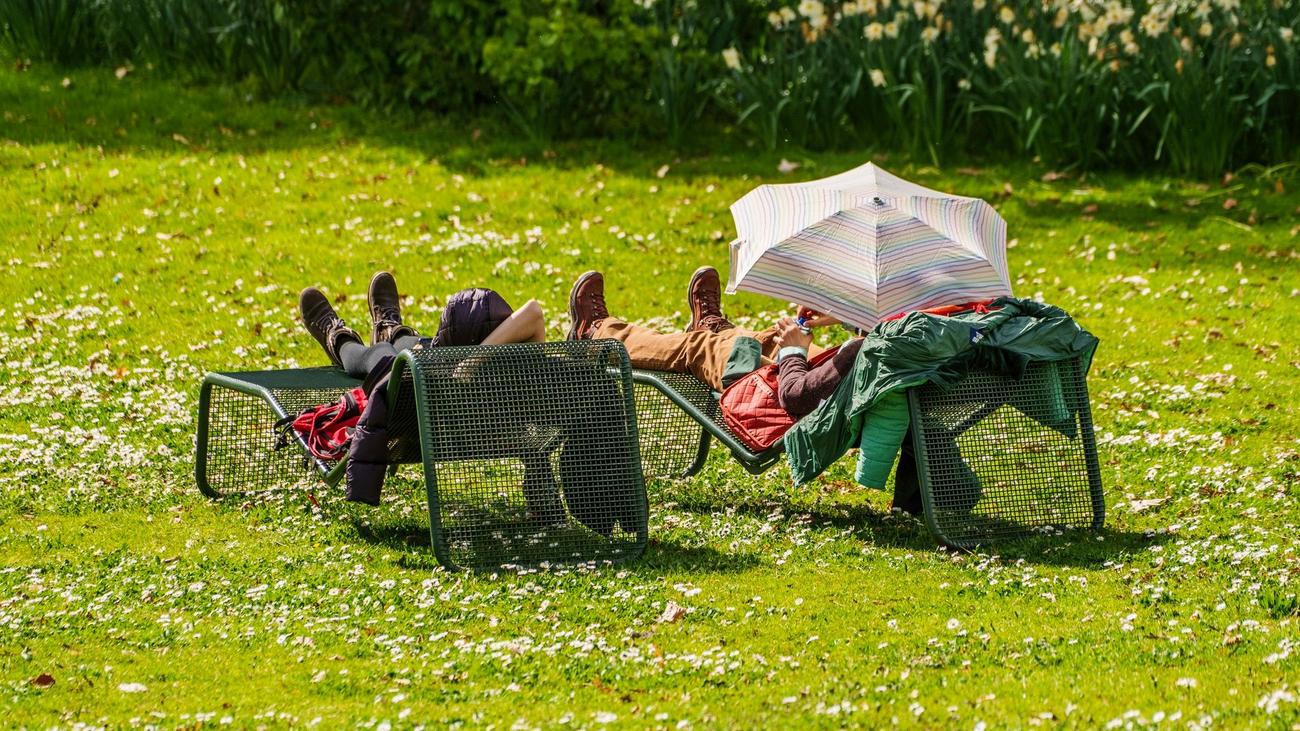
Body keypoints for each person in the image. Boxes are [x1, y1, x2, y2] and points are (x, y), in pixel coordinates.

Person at [299, 271, 545, 379]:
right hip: (447, 361)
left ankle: (339, 339)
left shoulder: (447, 382)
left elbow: (533, 311)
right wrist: (475, 358)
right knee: (420, 346)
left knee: (380, 357)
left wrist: (469, 363)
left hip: (416, 385)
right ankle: (391, 330)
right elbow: (533, 311)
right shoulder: (531, 377)